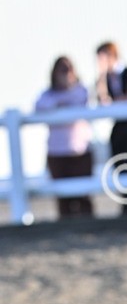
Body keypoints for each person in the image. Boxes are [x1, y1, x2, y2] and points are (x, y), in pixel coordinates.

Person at [34, 57, 93, 219]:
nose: (66, 73)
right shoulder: (47, 94)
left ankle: (88, 226)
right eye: (62, 70)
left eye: (69, 69)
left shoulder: (81, 90)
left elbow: (81, 100)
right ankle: (66, 228)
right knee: (63, 199)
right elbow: (39, 106)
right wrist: (61, 102)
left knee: (84, 196)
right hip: (57, 153)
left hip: (80, 151)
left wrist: (60, 104)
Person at [96, 41, 127, 215]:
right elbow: (102, 101)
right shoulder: (104, 79)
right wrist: (102, 76)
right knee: (119, 165)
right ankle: (126, 208)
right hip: (119, 127)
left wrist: (115, 102)